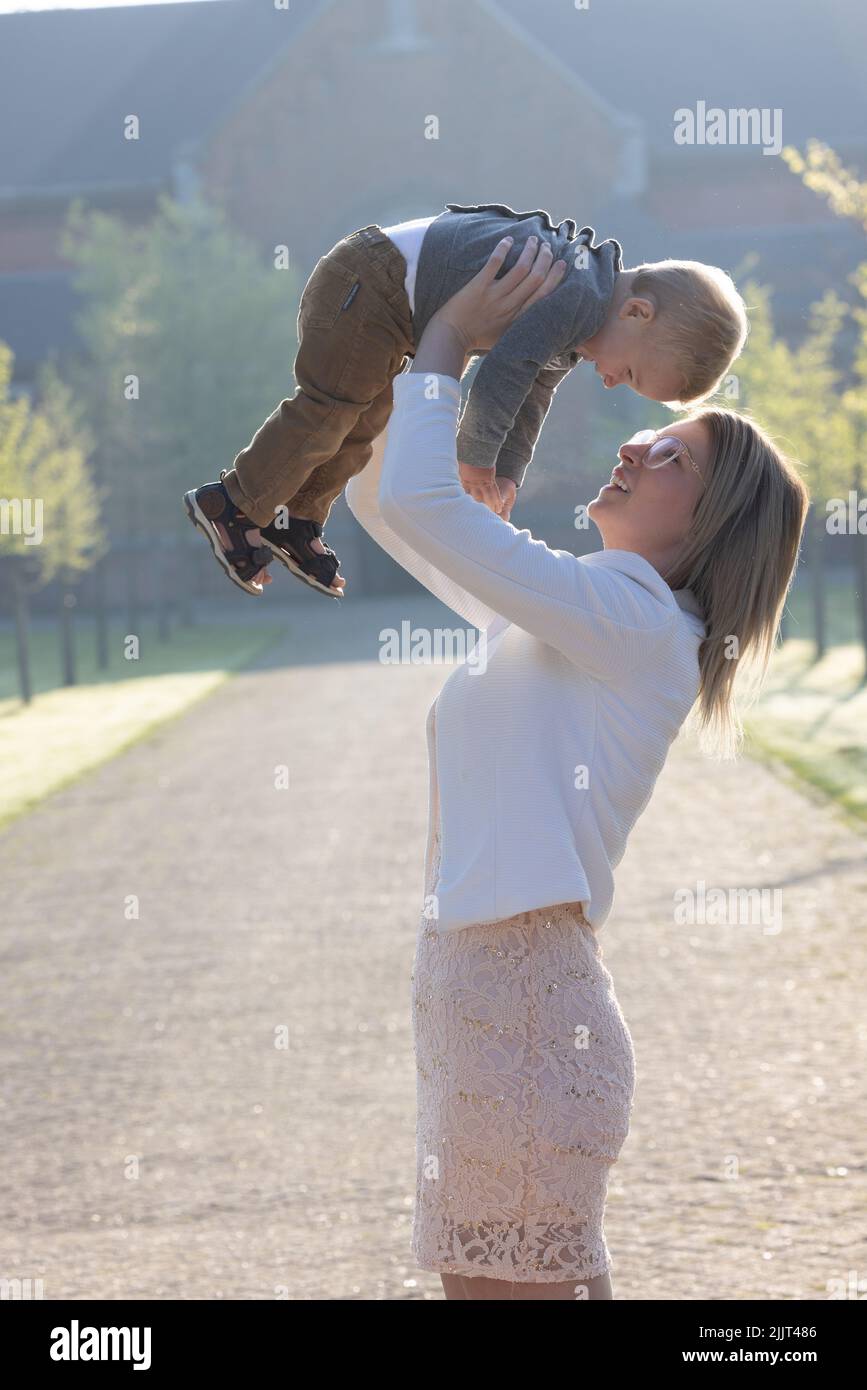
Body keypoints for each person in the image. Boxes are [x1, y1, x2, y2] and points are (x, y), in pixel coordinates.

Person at [343, 238, 810, 1300]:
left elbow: (421, 505)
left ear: (709, 530)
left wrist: (452, 339)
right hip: (501, 1018)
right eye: (656, 431)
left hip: (516, 1022)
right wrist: (406, 358)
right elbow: (393, 512)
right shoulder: (587, 617)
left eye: (674, 458)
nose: (639, 443)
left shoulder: (631, 618)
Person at [183, 202, 748, 598]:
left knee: (363, 419)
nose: (609, 381)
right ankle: (233, 503)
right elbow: (502, 371)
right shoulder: (577, 293)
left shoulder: (580, 320)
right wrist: (474, 460)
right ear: (637, 312)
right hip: (369, 281)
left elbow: (531, 394)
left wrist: (505, 472)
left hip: (394, 313)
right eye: (628, 372)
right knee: (330, 409)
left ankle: (295, 516)